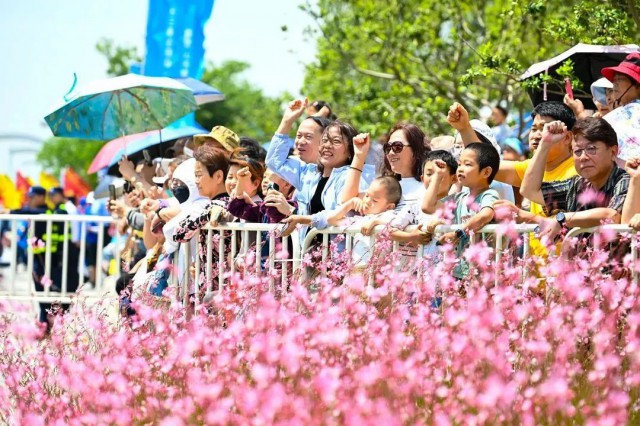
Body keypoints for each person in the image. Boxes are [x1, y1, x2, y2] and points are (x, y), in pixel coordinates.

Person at [267, 100, 375, 236]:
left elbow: (342, 213)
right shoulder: (308, 173)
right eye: (324, 140)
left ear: (350, 151)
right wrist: (287, 121)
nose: (327, 145)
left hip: (337, 248)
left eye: (336, 141)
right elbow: (274, 161)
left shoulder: (354, 177)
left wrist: (300, 217)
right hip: (307, 248)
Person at [520, 117, 628, 241]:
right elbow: (529, 191)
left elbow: (613, 216)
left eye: (591, 149)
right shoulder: (576, 185)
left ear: (613, 152)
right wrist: (545, 143)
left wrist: (563, 219)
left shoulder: (626, 180)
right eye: (577, 151)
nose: (583, 157)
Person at [423, 144, 501, 278]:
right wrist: (438, 175)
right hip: (459, 273)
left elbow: (485, 215)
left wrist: (458, 234)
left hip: (482, 274)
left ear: (486, 172)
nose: (460, 169)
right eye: (459, 164)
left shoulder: (489, 195)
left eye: (467, 164)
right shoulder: (458, 198)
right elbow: (428, 207)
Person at [601, 52, 640, 164]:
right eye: (614, 79)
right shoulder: (612, 116)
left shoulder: (612, 118)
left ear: (637, 85)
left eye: (621, 78)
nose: (614, 83)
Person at [381, 122, 429, 208]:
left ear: (416, 149)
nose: (391, 153)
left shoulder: (430, 187)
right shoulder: (382, 187)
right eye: (388, 148)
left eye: (397, 146)